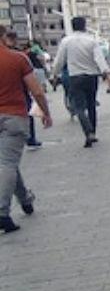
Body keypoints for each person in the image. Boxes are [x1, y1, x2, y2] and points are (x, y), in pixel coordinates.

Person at [0, 26, 52, 234]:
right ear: (2, 37)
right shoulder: (17, 59)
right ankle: (2, 213)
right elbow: (36, 90)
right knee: (7, 163)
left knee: (7, 162)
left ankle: (25, 199)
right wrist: (46, 113)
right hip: (13, 116)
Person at [51, 16, 110, 147]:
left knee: (79, 107)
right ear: (84, 26)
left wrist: (54, 74)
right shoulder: (91, 41)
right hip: (92, 76)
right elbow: (99, 59)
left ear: (73, 26)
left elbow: (60, 60)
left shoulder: (66, 41)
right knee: (91, 105)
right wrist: (106, 72)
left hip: (75, 76)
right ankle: (93, 132)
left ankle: (87, 131)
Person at [21, 40, 48, 148]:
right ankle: (31, 138)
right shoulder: (20, 57)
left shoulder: (21, 55)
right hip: (22, 92)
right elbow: (37, 92)